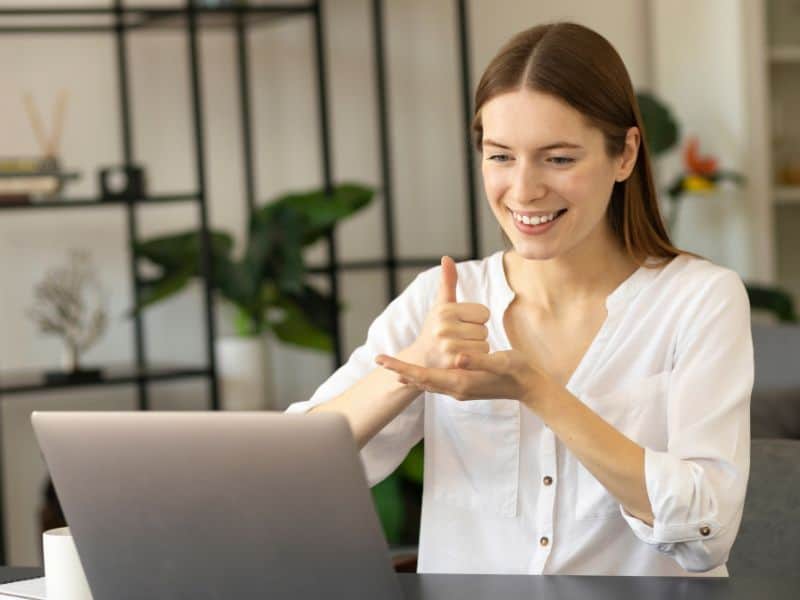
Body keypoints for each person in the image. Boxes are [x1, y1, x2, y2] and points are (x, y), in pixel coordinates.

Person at [285, 21, 752, 577]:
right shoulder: (442, 300)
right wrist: (413, 363)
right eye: (500, 156)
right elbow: (294, 474)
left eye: (558, 159)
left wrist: (537, 391)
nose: (524, 190)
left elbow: (707, 532)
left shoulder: (699, 300)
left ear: (625, 154)